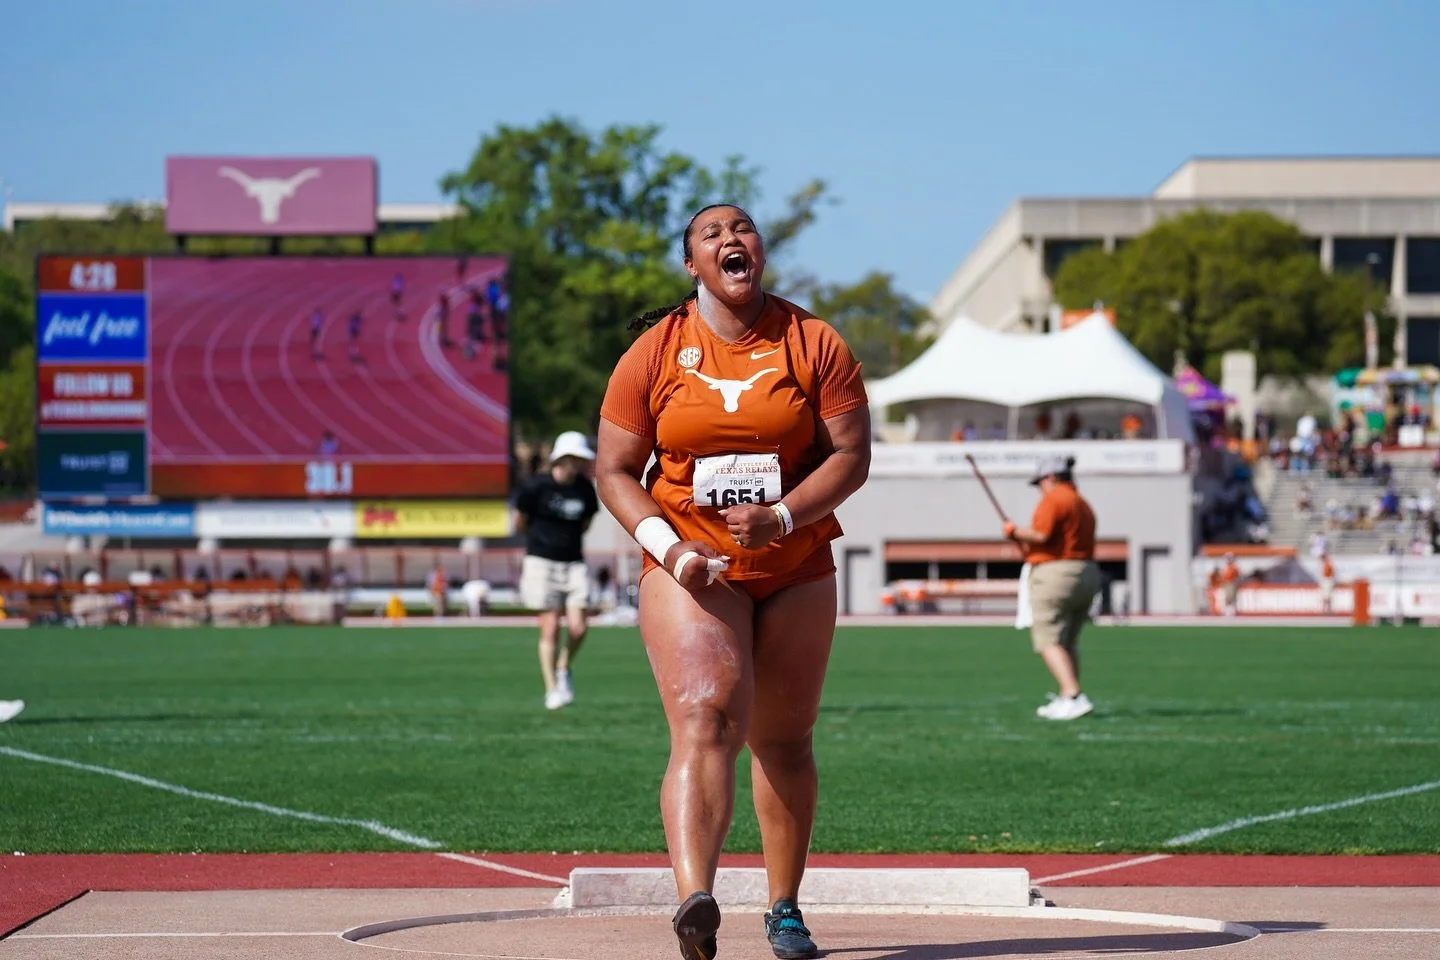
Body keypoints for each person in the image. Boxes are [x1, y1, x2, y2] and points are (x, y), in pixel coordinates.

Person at [595, 203, 870, 960]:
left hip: (795, 563)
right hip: (691, 565)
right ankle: (696, 899)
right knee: (706, 718)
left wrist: (782, 517)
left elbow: (851, 455)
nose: (730, 240)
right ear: (692, 265)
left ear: (761, 251)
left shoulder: (814, 342)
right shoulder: (654, 352)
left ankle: (784, 909)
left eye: (742, 229)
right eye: (712, 235)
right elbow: (613, 470)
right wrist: (668, 546)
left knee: (784, 740)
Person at [1003, 455, 1101, 721]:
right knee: (1068, 640)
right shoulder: (1082, 503)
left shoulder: (1055, 499)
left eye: (1039, 483)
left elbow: (1041, 535)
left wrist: (1014, 531)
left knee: (1048, 637)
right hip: (1087, 571)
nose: (1039, 489)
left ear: (1051, 478)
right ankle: (1067, 695)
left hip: (1057, 573)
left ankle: (1072, 694)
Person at [512, 430, 600, 711]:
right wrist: (541, 542)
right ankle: (551, 689)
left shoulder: (585, 488)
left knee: (579, 626)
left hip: (573, 561)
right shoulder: (537, 486)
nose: (579, 464)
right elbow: (520, 521)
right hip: (541, 561)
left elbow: (586, 521)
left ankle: (564, 667)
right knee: (549, 626)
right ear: (561, 459)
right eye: (574, 459)